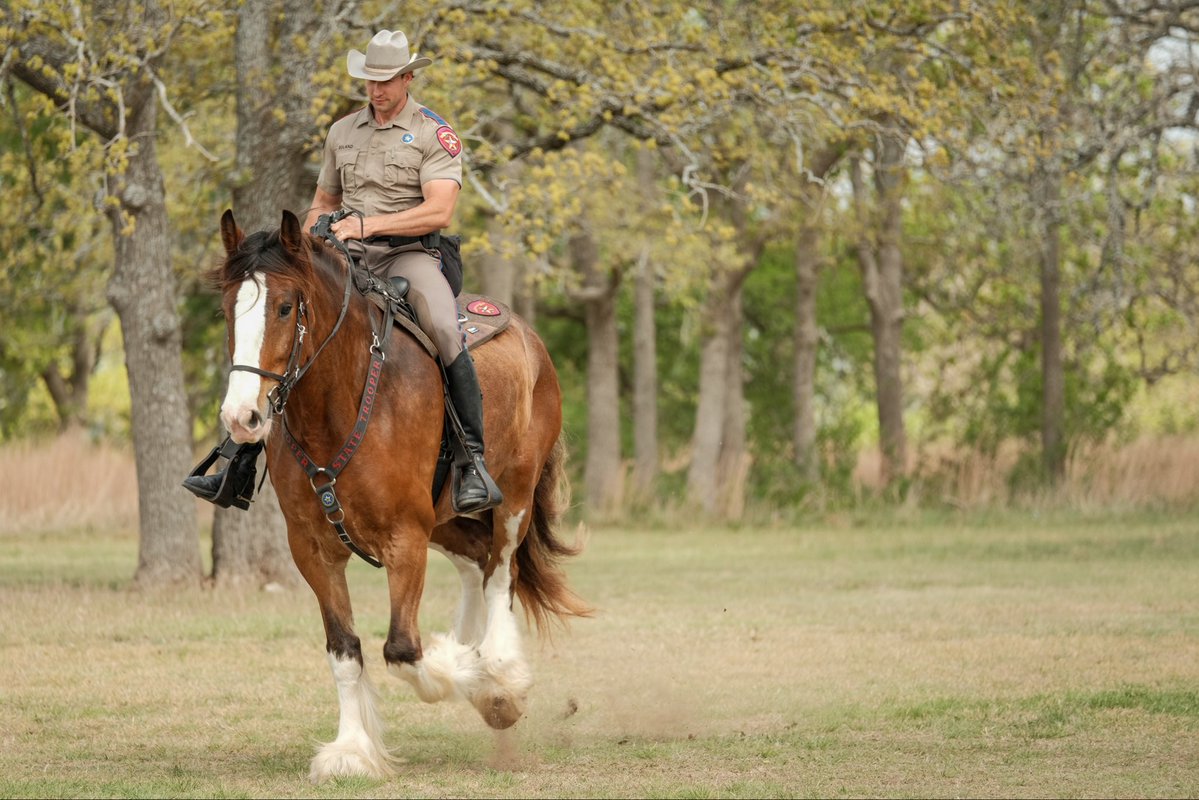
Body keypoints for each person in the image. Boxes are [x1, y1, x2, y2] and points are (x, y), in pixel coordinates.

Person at [185, 29, 501, 514]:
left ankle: (471, 461)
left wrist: (368, 225)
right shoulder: (343, 132)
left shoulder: (435, 134)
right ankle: (240, 458)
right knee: (282, 319)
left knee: (442, 325)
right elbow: (323, 201)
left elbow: (439, 211)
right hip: (344, 254)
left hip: (408, 254)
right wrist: (307, 242)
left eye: (386, 80)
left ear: (408, 78)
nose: (376, 89)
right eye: (370, 80)